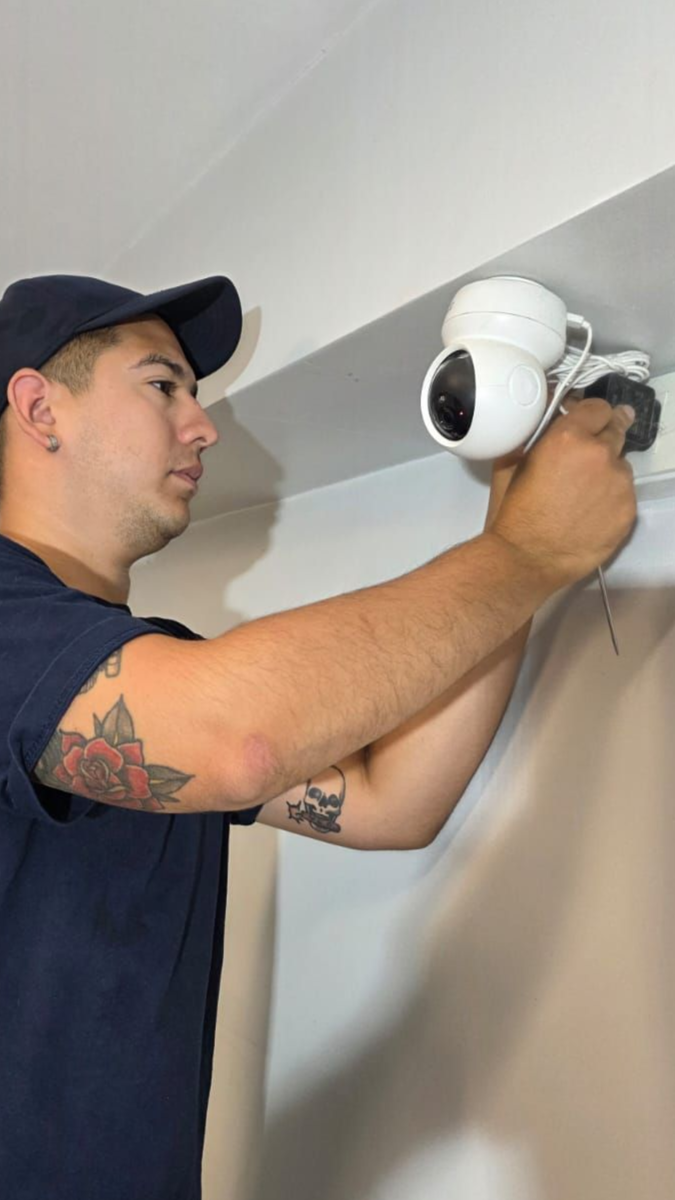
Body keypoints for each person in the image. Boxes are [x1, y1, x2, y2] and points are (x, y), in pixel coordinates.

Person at [0, 273, 637, 1200]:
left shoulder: (147, 685)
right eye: (163, 385)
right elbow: (241, 745)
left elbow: (391, 801)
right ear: (37, 408)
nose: (204, 426)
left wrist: (513, 509)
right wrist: (530, 551)